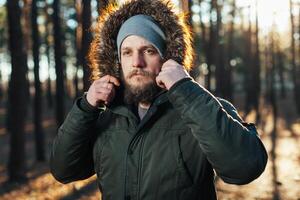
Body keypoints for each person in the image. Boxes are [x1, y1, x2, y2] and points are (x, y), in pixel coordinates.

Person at [50, 0, 268, 199]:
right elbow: (64, 170)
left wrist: (185, 90)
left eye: (148, 50)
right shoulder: (103, 118)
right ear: (117, 60)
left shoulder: (204, 109)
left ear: (167, 57)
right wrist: (86, 108)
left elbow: (245, 168)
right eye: (127, 52)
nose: (136, 62)